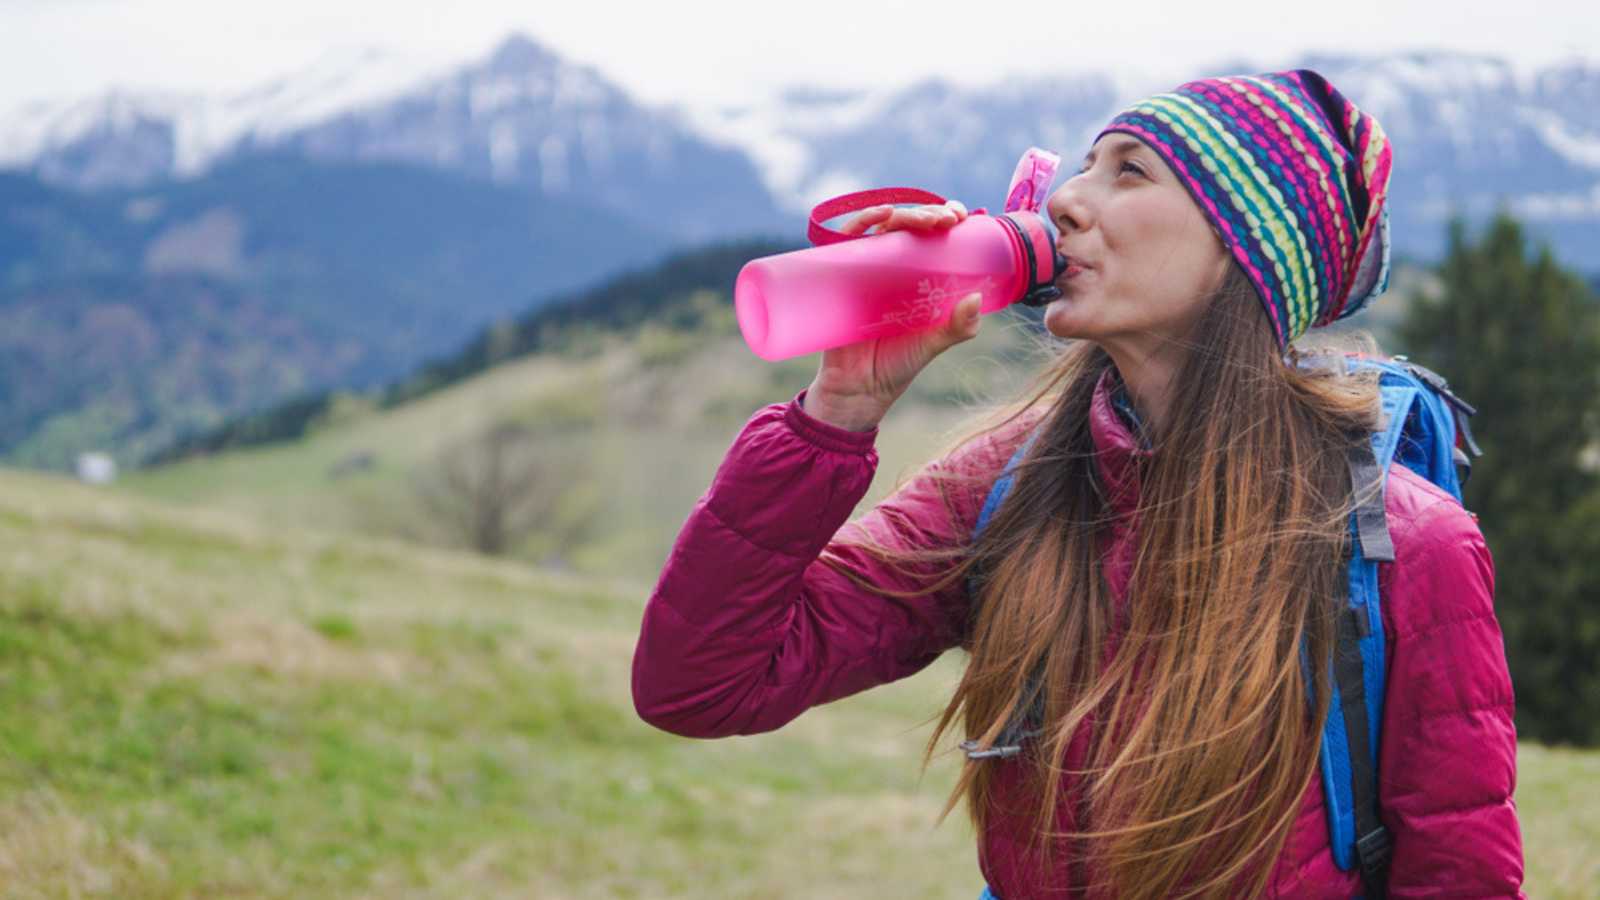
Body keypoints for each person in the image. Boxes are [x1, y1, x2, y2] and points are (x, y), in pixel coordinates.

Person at [631, 69, 1525, 898]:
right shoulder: (1011, 483)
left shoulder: (1405, 547)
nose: (1065, 199)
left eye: (1129, 173)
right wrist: (839, 410)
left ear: (1244, 252)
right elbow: (703, 685)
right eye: (1086, 164)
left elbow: (1463, 876)